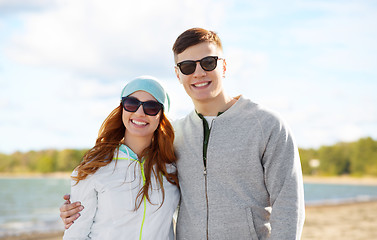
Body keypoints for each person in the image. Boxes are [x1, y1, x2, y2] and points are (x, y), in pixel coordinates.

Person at [60, 28, 305, 239]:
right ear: (178, 74)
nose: (198, 73)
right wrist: (76, 211)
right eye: (187, 66)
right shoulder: (174, 136)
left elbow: (289, 205)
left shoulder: (267, 125)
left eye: (208, 62)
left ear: (224, 65)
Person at [62, 76, 180, 240]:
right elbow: (76, 234)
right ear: (122, 108)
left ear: (161, 115)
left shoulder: (172, 166)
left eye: (151, 107)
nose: (139, 113)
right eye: (131, 103)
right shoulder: (95, 166)